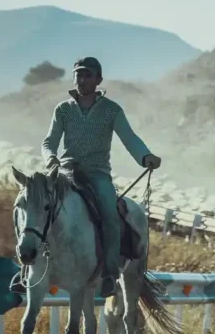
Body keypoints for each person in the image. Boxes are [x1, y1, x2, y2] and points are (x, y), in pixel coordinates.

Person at [9, 56, 161, 296]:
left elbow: (129, 138)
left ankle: (110, 274)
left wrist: (145, 157)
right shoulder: (63, 109)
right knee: (34, 208)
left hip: (97, 173)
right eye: (78, 75)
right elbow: (49, 142)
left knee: (110, 215)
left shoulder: (111, 110)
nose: (82, 79)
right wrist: (51, 159)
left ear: (98, 79)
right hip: (65, 171)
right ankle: (26, 269)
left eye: (87, 75)